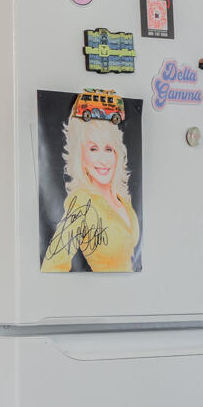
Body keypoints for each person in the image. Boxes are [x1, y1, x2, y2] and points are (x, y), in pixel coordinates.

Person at [41, 91, 140, 272]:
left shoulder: (122, 199)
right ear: (81, 157)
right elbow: (53, 264)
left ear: (117, 153)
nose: (103, 159)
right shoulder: (82, 201)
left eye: (108, 149)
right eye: (93, 149)